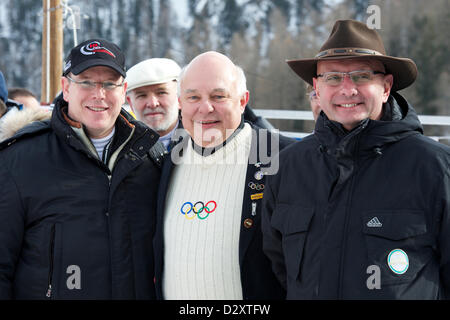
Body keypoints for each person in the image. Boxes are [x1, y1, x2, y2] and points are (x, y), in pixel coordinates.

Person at [261, 19, 450, 299]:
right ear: (317, 87)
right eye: (333, 77)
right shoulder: (287, 167)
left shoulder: (435, 167)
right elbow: (278, 270)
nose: (347, 89)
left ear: (386, 87)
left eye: (361, 76)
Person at [0, 38, 160, 299]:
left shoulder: (150, 157)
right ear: (66, 87)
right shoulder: (19, 160)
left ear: (124, 91)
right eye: (86, 81)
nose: (99, 94)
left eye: (110, 83)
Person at [153, 51, 293, 300]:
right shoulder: (166, 163)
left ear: (242, 101)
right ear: (180, 103)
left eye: (219, 96)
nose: (205, 108)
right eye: (193, 97)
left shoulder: (283, 158)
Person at [126, 58, 181, 151]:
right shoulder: (120, 150)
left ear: (180, 97)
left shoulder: (205, 142)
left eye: (161, 93)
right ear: (130, 103)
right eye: (142, 95)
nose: (152, 104)